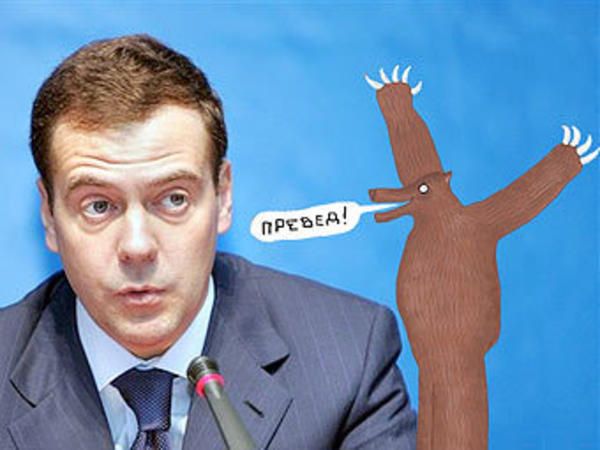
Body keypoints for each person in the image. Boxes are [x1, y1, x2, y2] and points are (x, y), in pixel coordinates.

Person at [0, 34, 416, 449]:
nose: (138, 247)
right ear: (49, 216)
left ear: (223, 197)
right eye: (98, 206)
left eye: (174, 199)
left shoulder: (347, 358)